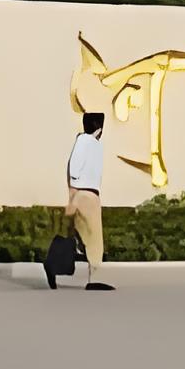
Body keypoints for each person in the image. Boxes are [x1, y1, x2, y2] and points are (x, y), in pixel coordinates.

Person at [62, 110, 112, 291]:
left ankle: (54, 265)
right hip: (87, 195)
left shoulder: (89, 143)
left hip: (83, 194)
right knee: (94, 239)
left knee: (77, 236)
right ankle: (95, 278)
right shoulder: (86, 141)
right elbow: (74, 169)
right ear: (98, 128)